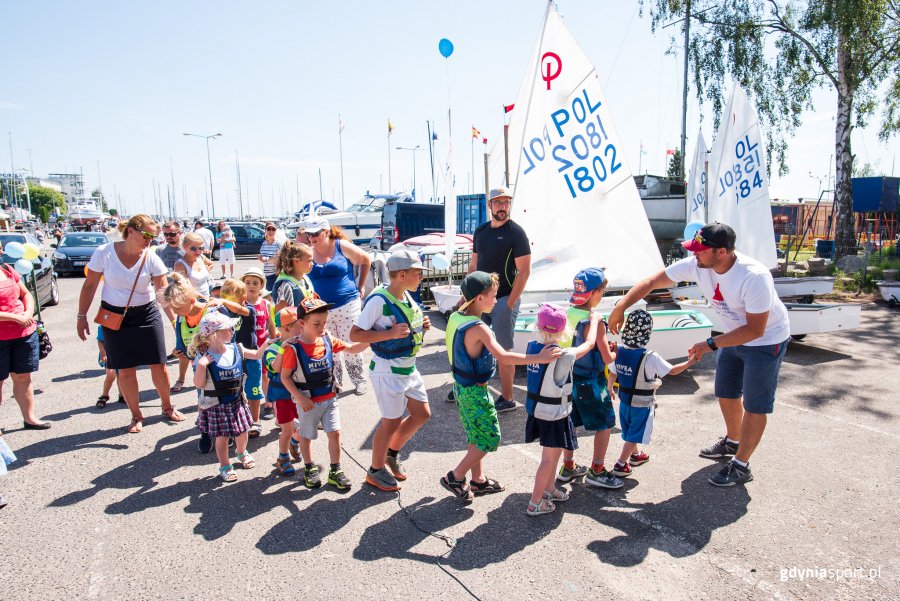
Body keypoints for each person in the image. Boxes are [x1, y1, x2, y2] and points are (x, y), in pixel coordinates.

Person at [608, 222, 791, 487]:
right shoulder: (698, 264)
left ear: (722, 252)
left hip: (764, 341)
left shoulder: (753, 276)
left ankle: (741, 465)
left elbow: (755, 329)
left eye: (701, 250)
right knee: (726, 393)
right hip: (732, 335)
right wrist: (621, 306)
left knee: (755, 404)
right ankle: (732, 440)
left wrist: (711, 344)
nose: (695, 254)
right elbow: (652, 281)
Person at [440, 271, 560, 501]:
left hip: (461, 388)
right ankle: (455, 477)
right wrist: (540, 358)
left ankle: (478, 481)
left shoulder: (456, 317)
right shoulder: (479, 328)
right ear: (478, 299)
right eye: (493, 295)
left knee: (476, 435)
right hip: (475, 391)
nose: (496, 300)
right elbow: (504, 357)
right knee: (489, 438)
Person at [77, 214, 186, 433]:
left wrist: (175, 320)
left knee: (159, 364)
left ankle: (167, 406)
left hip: (146, 314)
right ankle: (135, 414)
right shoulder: (104, 253)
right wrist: (81, 317)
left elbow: (162, 293)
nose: (150, 240)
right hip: (115, 316)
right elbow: (89, 286)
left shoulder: (151, 257)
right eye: (146, 235)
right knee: (125, 370)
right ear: (131, 232)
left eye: (153, 237)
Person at [350, 249, 430, 492]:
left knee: (421, 414)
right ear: (402, 274)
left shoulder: (405, 295)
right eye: (418, 274)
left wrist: (421, 326)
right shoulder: (378, 300)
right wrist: (389, 334)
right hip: (388, 370)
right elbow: (355, 334)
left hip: (408, 367)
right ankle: (375, 470)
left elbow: (406, 326)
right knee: (390, 422)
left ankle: (391, 454)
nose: (421, 278)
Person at [281, 297, 367, 490]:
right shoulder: (293, 349)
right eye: (316, 324)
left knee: (335, 433)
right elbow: (285, 377)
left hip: (330, 399)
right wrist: (300, 397)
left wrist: (373, 338)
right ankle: (309, 468)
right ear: (302, 324)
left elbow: (353, 348)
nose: (322, 327)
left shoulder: (327, 339)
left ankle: (335, 471)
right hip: (308, 402)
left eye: (324, 323)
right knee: (306, 436)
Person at [524, 304, 601, 516]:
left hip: (539, 409)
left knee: (555, 452)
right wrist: (594, 320)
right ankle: (535, 502)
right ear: (564, 329)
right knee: (548, 459)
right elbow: (590, 343)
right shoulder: (563, 355)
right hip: (554, 414)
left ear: (538, 326)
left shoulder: (532, 347)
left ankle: (549, 489)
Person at [158, 272, 247, 453]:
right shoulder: (182, 318)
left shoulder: (212, 310)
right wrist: (179, 351)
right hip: (202, 365)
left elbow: (230, 333)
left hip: (222, 365)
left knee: (226, 397)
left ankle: (228, 431)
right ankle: (206, 431)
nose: (175, 313)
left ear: (191, 301)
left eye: (177, 308)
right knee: (204, 398)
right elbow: (181, 340)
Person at [607, 309, 697, 479]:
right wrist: (690, 361)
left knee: (629, 429)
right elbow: (672, 371)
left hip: (624, 400)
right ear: (647, 333)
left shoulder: (618, 352)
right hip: (642, 403)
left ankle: (635, 455)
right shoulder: (650, 356)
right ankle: (620, 464)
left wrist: (610, 388)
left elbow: (612, 372)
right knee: (636, 432)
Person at [556, 268, 622, 489]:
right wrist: (615, 352)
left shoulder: (567, 314)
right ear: (594, 293)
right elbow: (605, 357)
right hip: (592, 381)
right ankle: (597, 469)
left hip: (568, 378)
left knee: (570, 422)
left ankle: (568, 465)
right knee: (604, 424)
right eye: (602, 292)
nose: (602, 296)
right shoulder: (595, 321)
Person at [468, 186, 531, 413]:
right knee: (472, 345)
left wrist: (510, 303)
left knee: (504, 349)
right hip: (479, 300)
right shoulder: (481, 231)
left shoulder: (516, 233)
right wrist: (468, 296)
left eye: (506, 202)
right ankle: (471, 386)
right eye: (498, 202)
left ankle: (507, 398)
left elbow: (524, 272)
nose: (502, 206)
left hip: (504, 298)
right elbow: (474, 266)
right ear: (490, 205)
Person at [189, 312, 268, 482]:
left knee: (243, 430)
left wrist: (266, 344)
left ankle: (242, 452)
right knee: (222, 437)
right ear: (214, 334)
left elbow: (256, 355)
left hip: (237, 401)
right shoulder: (203, 356)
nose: (232, 330)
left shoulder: (236, 348)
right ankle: (225, 465)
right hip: (217, 404)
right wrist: (202, 365)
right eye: (228, 328)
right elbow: (198, 384)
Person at [307, 218, 371, 395]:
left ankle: (359, 380)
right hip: (321, 311)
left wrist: (360, 285)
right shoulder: (308, 252)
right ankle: (335, 383)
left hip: (348, 306)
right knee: (330, 349)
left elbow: (366, 260)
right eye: (308, 234)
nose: (311, 237)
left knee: (351, 346)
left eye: (315, 233)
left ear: (326, 232)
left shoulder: (341, 246)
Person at [0, 243, 47, 430]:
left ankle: (29, 418)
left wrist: (28, 313)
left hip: (23, 334)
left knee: (23, 377)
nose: (1, 251)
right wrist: (16, 317)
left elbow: (26, 293)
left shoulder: (7, 269)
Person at [218, 278, 264, 436]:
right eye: (226, 298)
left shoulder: (249, 309)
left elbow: (240, 310)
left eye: (231, 299)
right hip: (233, 359)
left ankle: (256, 421)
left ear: (243, 298)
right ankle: (238, 419)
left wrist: (223, 301)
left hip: (251, 357)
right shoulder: (224, 313)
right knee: (235, 391)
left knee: (254, 390)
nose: (226, 303)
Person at [266, 307, 305, 476]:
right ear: (287, 328)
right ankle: (283, 457)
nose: (303, 328)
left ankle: (295, 442)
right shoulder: (272, 348)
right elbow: (274, 367)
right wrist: (284, 348)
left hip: (300, 393)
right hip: (282, 395)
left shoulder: (302, 343)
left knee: (306, 425)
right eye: (300, 325)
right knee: (287, 430)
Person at [242, 267, 276, 425]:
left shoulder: (266, 304)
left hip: (264, 346)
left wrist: (275, 341)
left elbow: (271, 325)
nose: (251, 286)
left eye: (255, 283)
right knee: (247, 378)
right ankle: (247, 405)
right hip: (247, 348)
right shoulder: (240, 304)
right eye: (247, 282)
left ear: (262, 285)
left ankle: (268, 404)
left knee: (265, 376)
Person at [271, 241, 315, 313]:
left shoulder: (305, 279)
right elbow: (281, 315)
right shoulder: (286, 285)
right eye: (309, 261)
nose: (312, 264)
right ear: (296, 261)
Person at [173, 232, 213, 300]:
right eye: (193, 249)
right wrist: (206, 299)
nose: (198, 251)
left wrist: (208, 268)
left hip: (207, 297)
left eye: (201, 248)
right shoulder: (180, 264)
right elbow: (187, 288)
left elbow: (211, 263)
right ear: (185, 247)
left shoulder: (201, 257)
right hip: (193, 301)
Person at [95, 326, 123, 408]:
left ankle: (122, 395)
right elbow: (100, 341)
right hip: (108, 354)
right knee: (111, 375)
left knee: (121, 376)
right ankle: (105, 395)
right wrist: (103, 353)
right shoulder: (104, 324)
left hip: (121, 354)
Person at [259, 221, 284, 292]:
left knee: (271, 296)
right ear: (265, 231)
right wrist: (261, 259)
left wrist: (266, 259)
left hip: (276, 275)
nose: (271, 231)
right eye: (269, 229)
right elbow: (263, 257)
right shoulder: (264, 244)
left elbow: (280, 259)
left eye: (273, 229)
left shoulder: (278, 244)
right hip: (268, 275)